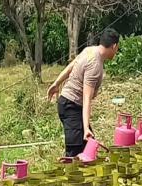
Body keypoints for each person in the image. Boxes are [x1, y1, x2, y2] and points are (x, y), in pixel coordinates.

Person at [47, 29, 119, 157]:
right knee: (75, 152)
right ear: (114, 45)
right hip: (71, 106)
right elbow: (87, 98)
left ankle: (84, 172)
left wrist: (56, 83)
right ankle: (68, 173)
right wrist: (85, 128)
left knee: (87, 145)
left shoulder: (89, 50)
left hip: (67, 103)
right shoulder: (95, 65)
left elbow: (71, 66)